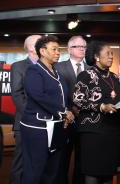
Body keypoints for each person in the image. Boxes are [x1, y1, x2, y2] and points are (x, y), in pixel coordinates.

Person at [20, 35, 74, 184]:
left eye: (58, 49)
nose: (58, 52)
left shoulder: (57, 72)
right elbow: (38, 95)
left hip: (55, 127)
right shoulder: (33, 70)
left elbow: (63, 98)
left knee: (51, 170)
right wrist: (63, 111)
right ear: (42, 51)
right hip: (37, 127)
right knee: (35, 169)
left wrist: (68, 110)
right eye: (54, 49)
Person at [73, 41, 120, 184]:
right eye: (107, 53)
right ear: (96, 56)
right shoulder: (86, 75)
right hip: (93, 132)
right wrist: (101, 107)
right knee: (93, 172)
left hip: (112, 131)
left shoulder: (115, 77)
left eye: (112, 54)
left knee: (108, 172)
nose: (111, 56)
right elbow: (78, 100)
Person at [55, 35, 88, 184]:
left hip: (86, 121)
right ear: (69, 49)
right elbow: (56, 94)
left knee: (82, 160)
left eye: (84, 46)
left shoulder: (91, 69)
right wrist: (69, 109)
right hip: (65, 120)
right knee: (62, 160)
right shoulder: (58, 67)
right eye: (78, 46)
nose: (82, 49)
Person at [10, 34, 41, 184]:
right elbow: (17, 94)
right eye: (39, 42)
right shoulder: (18, 66)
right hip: (24, 122)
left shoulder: (48, 67)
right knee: (20, 162)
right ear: (30, 47)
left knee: (38, 162)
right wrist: (33, 115)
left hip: (44, 125)